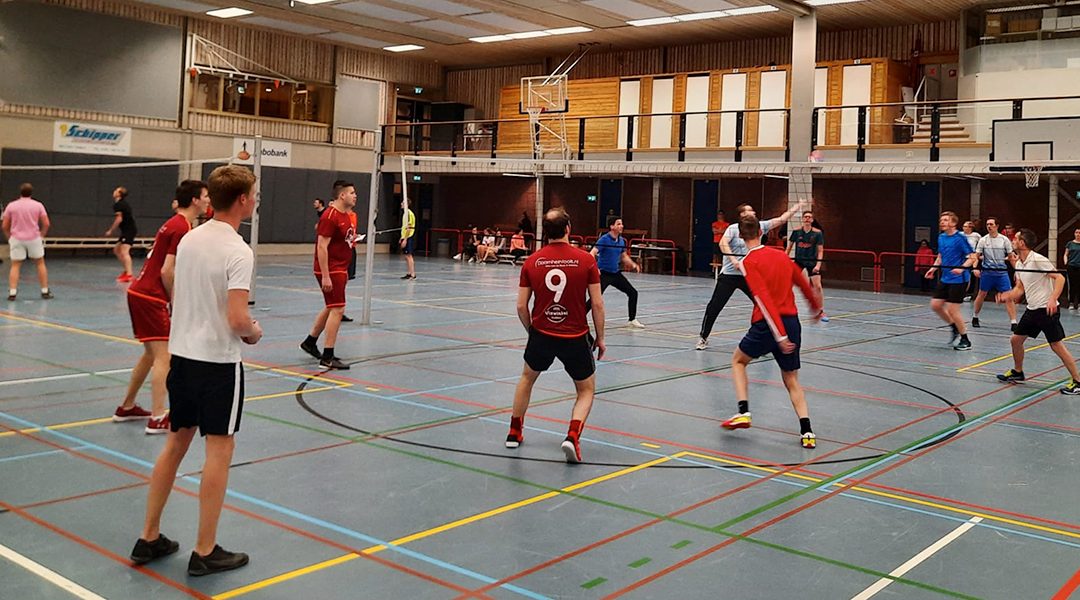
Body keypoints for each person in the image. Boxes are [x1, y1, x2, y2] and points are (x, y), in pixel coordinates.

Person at [130, 164, 261, 576]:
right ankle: (205, 550)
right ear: (241, 200)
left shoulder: (189, 240)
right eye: (254, 193)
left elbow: (171, 281)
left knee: (175, 444)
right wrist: (254, 332)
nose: (256, 199)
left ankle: (149, 536)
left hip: (182, 359)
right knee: (220, 451)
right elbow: (239, 319)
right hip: (218, 364)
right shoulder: (238, 251)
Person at [505, 208, 605, 463]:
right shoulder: (586, 260)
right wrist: (601, 338)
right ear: (568, 229)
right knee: (585, 390)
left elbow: (520, 306)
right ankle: (572, 437)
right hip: (575, 336)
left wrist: (533, 332)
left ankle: (514, 433)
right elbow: (597, 304)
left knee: (527, 378)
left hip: (542, 334)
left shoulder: (532, 261)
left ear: (545, 232)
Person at [113, 180, 209, 433]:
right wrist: (176, 304)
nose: (209, 200)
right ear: (196, 200)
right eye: (206, 196)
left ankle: (127, 406)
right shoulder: (181, 227)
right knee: (164, 357)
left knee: (150, 354)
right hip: (150, 297)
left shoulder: (175, 222)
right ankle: (157, 417)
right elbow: (168, 270)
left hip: (139, 292)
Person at [722, 215, 823, 449]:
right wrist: (816, 307)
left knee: (738, 361)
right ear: (761, 232)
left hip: (769, 325)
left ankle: (744, 412)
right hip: (791, 322)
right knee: (791, 379)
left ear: (740, 236)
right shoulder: (781, 255)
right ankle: (807, 431)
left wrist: (779, 335)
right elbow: (802, 282)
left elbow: (763, 298)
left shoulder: (748, 262)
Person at [695, 199, 807, 351]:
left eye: (753, 210)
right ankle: (703, 337)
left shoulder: (760, 226)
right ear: (742, 215)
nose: (753, 212)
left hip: (749, 274)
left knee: (764, 305)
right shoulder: (733, 228)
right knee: (714, 306)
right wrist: (734, 260)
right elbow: (723, 243)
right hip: (729, 275)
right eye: (749, 210)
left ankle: (769, 338)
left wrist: (797, 206)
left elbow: (781, 219)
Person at [995, 228, 1080, 394]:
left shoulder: (1038, 260)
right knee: (1016, 340)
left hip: (1047, 310)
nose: (1012, 240)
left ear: (1022, 243)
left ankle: (1078, 381)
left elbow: (1060, 278)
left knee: (1057, 345)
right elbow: (1020, 288)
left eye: (1015, 238)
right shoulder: (1020, 263)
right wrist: (1007, 295)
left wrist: (1052, 299)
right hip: (1032, 309)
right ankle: (1018, 372)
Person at [301, 180, 361, 370]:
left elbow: (343, 239)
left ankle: (310, 342)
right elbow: (322, 246)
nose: (355, 195)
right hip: (331, 268)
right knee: (338, 309)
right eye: (352, 192)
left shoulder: (348, 215)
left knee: (331, 306)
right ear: (342, 195)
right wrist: (325, 275)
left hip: (341, 266)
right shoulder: (330, 216)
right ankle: (328, 356)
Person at [923, 211, 976, 351]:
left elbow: (972, 257)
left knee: (953, 310)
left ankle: (965, 339)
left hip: (959, 279)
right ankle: (954, 327)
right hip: (945, 277)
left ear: (953, 223)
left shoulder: (960, 238)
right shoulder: (941, 237)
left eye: (946, 220)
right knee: (935, 305)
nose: (942, 222)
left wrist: (961, 268)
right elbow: (940, 257)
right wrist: (933, 269)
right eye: (941, 220)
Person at [590, 217, 645, 328]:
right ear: (612, 226)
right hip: (603, 274)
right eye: (619, 224)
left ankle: (632, 319)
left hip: (615, 274)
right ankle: (580, 319)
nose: (622, 226)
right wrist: (594, 268)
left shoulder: (621, 240)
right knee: (594, 299)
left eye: (621, 224)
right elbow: (592, 253)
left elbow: (623, 256)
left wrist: (633, 264)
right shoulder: (604, 239)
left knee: (633, 293)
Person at [3, 183, 52, 301]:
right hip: (34, 238)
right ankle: (45, 291)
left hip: (17, 239)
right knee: (40, 263)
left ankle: (13, 292)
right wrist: (42, 235)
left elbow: (4, 225)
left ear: (20, 192)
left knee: (15, 265)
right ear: (31, 193)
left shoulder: (11, 206)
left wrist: (9, 237)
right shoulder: (38, 205)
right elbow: (46, 223)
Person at [972, 217, 1017, 330]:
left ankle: (1013, 322)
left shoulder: (1004, 240)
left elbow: (1011, 257)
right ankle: (975, 317)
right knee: (981, 294)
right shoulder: (983, 240)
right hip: (987, 272)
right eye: (987, 224)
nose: (989, 226)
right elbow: (976, 256)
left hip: (1001, 273)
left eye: (991, 224)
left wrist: (1018, 271)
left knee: (1008, 296)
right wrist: (975, 268)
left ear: (997, 226)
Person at [786, 210, 828, 322]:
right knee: (787, 283)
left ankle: (821, 311)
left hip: (812, 262)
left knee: (817, 286)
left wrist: (818, 265)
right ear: (802, 219)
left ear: (812, 220)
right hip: (798, 261)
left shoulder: (817, 233)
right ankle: (785, 308)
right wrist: (785, 260)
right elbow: (789, 247)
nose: (807, 219)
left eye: (809, 217)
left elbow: (820, 251)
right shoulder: (796, 232)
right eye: (805, 217)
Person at [104, 186, 137, 282]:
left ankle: (129, 275)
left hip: (129, 230)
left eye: (116, 190)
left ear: (119, 194)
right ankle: (127, 271)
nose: (114, 191)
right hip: (126, 230)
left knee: (124, 251)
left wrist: (111, 230)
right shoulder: (120, 204)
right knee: (116, 250)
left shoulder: (119, 205)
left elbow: (119, 219)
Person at [962, 220, 982, 301]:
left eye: (968, 226)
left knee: (968, 277)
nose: (966, 228)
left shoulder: (976, 235)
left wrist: (980, 254)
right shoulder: (960, 235)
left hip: (971, 258)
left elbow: (982, 244)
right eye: (964, 226)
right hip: (961, 258)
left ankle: (966, 294)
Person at [1063, 228, 1080, 310]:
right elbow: (1066, 254)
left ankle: (1079, 304)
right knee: (1072, 285)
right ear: (1074, 234)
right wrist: (1065, 261)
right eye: (1076, 232)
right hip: (1071, 266)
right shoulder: (1070, 243)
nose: (1078, 234)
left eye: (1079, 233)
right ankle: (1071, 303)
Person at [400, 200, 416, 280]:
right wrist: (401, 238)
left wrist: (405, 239)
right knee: (406, 256)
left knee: (409, 255)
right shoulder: (405, 214)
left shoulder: (409, 214)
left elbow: (409, 228)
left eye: (403, 203)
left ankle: (413, 274)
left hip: (409, 236)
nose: (401, 204)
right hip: (405, 236)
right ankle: (409, 273)